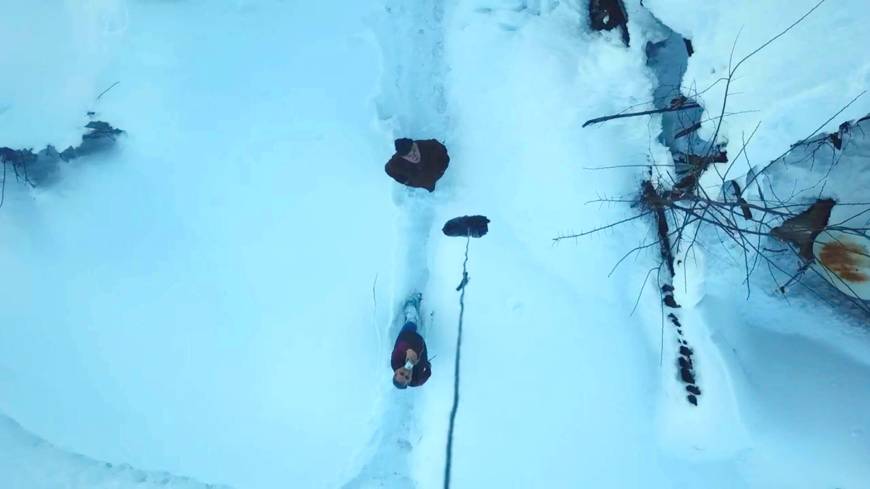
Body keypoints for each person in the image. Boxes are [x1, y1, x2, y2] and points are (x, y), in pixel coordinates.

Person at [391, 295, 431, 389]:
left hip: (407, 335)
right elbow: (428, 374)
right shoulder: (417, 380)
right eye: (407, 377)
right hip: (422, 346)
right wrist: (427, 365)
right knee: (424, 331)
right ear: (409, 381)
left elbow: (401, 344)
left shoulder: (395, 361)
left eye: (401, 373)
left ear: (396, 372)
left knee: (412, 321)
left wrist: (409, 350)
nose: (406, 372)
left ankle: (410, 302)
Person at [385, 138, 450, 192]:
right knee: (430, 188)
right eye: (409, 156)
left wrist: (442, 170)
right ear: (403, 157)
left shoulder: (432, 146)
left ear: (415, 144)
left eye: (414, 150)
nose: (414, 156)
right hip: (421, 182)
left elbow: (445, 155)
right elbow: (388, 169)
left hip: (434, 175)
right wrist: (405, 181)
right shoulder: (396, 162)